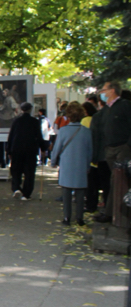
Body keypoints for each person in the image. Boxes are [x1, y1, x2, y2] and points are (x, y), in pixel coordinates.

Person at [93, 81, 131, 223]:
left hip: (122, 147)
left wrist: (128, 145)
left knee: (117, 179)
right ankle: (113, 212)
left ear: (112, 90)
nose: (102, 93)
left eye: (104, 90)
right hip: (110, 149)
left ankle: (112, 214)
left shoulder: (124, 106)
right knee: (115, 180)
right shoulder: (106, 110)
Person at [51, 102, 92, 225]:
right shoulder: (86, 131)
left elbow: (57, 148)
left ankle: (67, 217)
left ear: (68, 115)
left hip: (67, 164)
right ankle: (79, 218)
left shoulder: (63, 131)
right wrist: (88, 165)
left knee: (66, 191)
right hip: (81, 164)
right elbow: (90, 150)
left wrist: (53, 162)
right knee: (80, 192)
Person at [7, 102, 46, 201]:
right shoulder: (35, 121)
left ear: (21, 109)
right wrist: (43, 149)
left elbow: (11, 136)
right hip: (30, 149)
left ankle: (16, 188)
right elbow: (39, 136)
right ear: (30, 109)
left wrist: (8, 151)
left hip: (17, 149)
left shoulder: (16, 121)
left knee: (16, 170)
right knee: (29, 172)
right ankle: (26, 193)